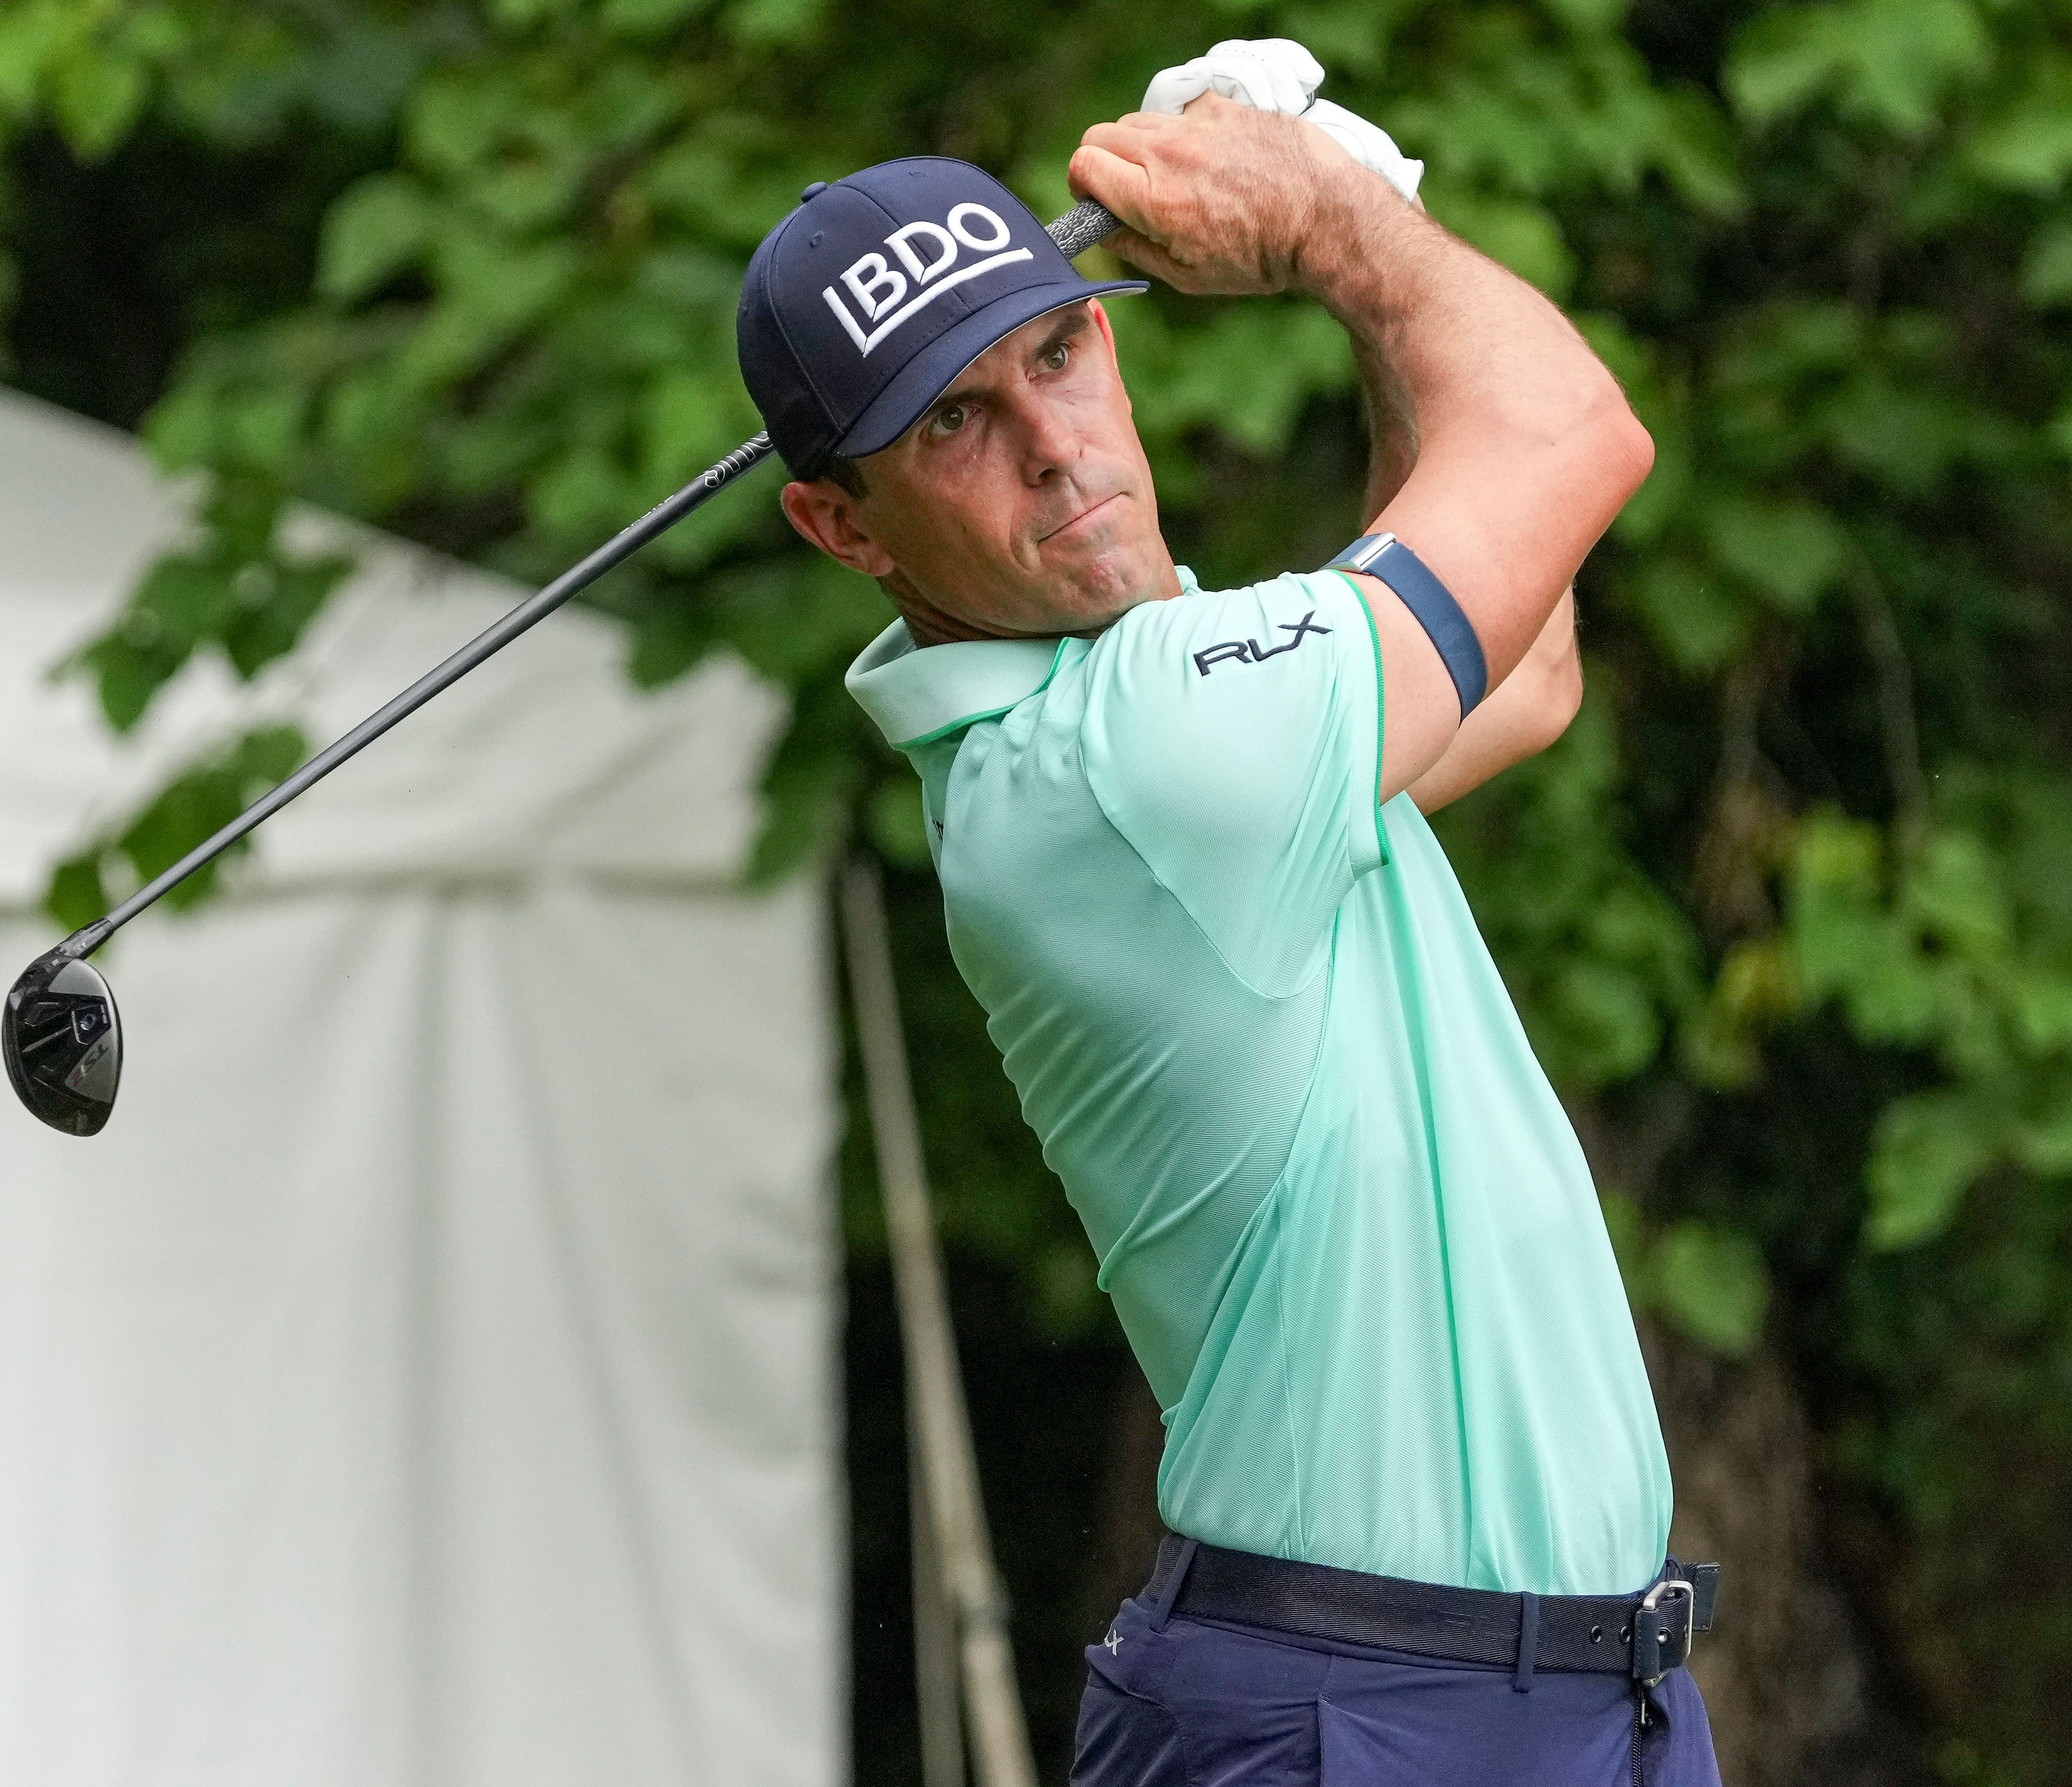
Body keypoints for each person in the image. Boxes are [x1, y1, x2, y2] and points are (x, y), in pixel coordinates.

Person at [734, 57, 1721, 1787]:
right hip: (1361, 1713)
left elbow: (1532, 661)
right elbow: (1574, 432)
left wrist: (1375, 232)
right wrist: (1345, 224)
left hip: (1563, 1694)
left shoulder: (1179, 699)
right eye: (952, 423)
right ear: (839, 523)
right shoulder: (1139, 755)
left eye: (1056, 353)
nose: (1054, 448)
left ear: (1109, 344)